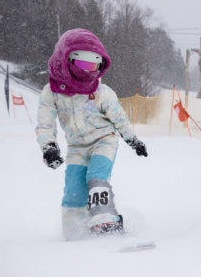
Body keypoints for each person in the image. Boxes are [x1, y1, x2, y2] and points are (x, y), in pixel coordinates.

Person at [35, 28, 148, 240]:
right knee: (73, 194)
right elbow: (45, 123)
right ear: (66, 60)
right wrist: (49, 146)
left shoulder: (102, 93)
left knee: (96, 178)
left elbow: (119, 119)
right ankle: (74, 234)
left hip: (104, 140)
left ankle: (107, 224)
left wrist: (133, 141)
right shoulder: (52, 93)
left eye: (94, 66)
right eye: (84, 65)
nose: (89, 71)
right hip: (77, 147)